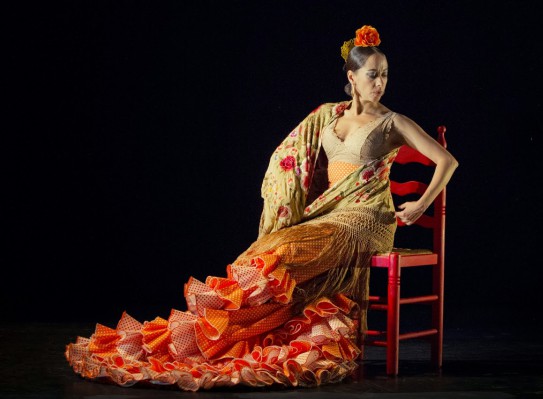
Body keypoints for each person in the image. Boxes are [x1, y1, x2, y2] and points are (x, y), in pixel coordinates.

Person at [65, 25, 458, 391]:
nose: (381, 82)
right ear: (352, 78)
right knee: (263, 254)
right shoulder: (326, 116)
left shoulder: (393, 122)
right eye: (372, 74)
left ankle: (221, 331)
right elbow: (288, 159)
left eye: (385, 73)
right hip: (327, 215)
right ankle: (213, 336)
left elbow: (447, 161)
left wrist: (421, 204)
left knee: (284, 254)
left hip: (366, 221)